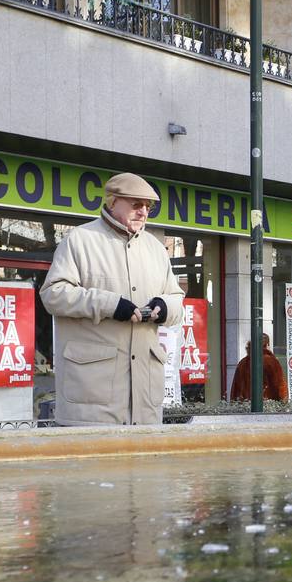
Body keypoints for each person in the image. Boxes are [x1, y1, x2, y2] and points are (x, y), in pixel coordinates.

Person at [41, 172, 184, 425]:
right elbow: (53, 294)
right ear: (113, 201)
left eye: (148, 207)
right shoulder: (80, 240)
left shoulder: (155, 249)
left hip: (145, 404)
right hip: (91, 402)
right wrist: (109, 305)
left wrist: (163, 307)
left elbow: (177, 300)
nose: (143, 212)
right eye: (136, 204)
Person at [229, 333, 288, 401]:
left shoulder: (242, 362)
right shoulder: (271, 361)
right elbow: (279, 385)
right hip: (266, 403)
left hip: (245, 404)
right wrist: (283, 402)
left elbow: (235, 388)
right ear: (267, 345)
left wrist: (234, 403)